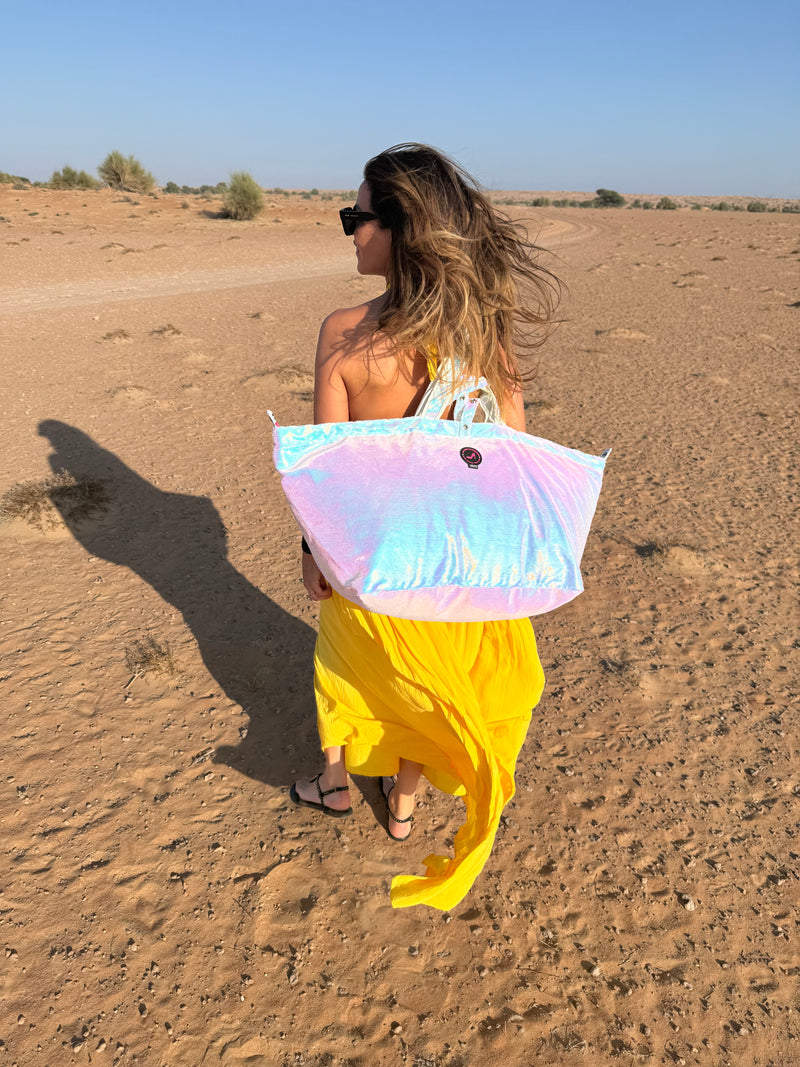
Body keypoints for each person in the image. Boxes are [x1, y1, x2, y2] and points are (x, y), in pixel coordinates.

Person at [289, 144, 560, 910]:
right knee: (432, 685)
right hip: (456, 568)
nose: (349, 231)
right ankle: (403, 807)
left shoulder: (342, 334)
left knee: (347, 669)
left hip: (370, 561)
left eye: (357, 215)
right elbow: (511, 453)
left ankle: (337, 783)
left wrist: (312, 551)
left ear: (401, 227)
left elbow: (328, 471)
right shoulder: (484, 334)